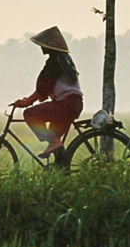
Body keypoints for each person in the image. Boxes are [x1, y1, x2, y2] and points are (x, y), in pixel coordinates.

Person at [11, 26, 84, 159]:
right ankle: (62, 170)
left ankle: (55, 143)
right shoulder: (63, 60)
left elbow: (44, 88)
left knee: (30, 114)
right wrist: (29, 99)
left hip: (66, 104)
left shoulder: (55, 62)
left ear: (50, 46)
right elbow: (45, 89)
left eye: (44, 44)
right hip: (72, 104)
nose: (41, 47)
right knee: (54, 138)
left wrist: (27, 102)